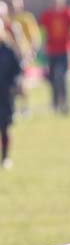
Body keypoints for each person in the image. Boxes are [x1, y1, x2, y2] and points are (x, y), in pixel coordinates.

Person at [38, 0, 70, 114]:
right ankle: (55, 104)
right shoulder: (46, 15)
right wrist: (41, 50)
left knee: (62, 77)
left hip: (65, 50)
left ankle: (65, 102)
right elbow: (42, 34)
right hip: (51, 51)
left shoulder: (69, 13)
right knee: (53, 78)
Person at [9, 0, 41, 117]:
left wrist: (32, 51)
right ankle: (13, 108)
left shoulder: (27, 18)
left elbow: (34, 36)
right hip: (9, 56)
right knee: (11, 83)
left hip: (23, 54)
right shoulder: (8, 19)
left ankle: (25, 106)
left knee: (21, 82)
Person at [0, 18, 23, 169]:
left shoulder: (8, 51)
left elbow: (17, 71)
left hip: (5, 94)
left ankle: (5, 157)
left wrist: (16, 85)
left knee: (4, 127)